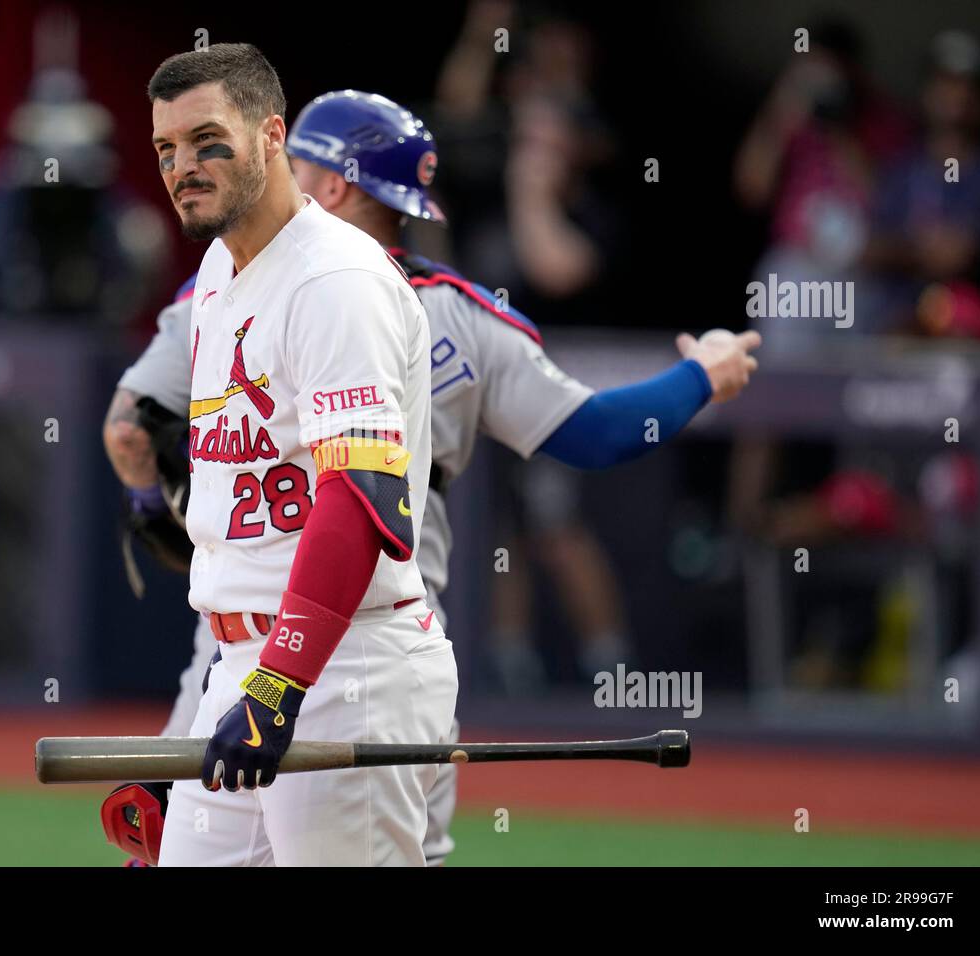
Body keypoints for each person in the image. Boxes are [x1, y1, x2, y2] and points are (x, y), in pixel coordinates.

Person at [104, 87, 761, 866]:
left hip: (263, 636)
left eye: (297, 157)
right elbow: (598, 434)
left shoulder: (231, 282)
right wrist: (702, 377)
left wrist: (154, 501)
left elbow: (128, 428)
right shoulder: (461, 314)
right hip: (375, 638)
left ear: (335, 182)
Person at [131, 45, 452, 867]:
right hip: (241, 662)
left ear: (273, 136)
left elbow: (358, 499)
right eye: (166, 149)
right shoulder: (214, 270)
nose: (183, 166)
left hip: (344, 669)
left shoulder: (336, 278)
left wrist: (282, 682)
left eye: (208, 140)